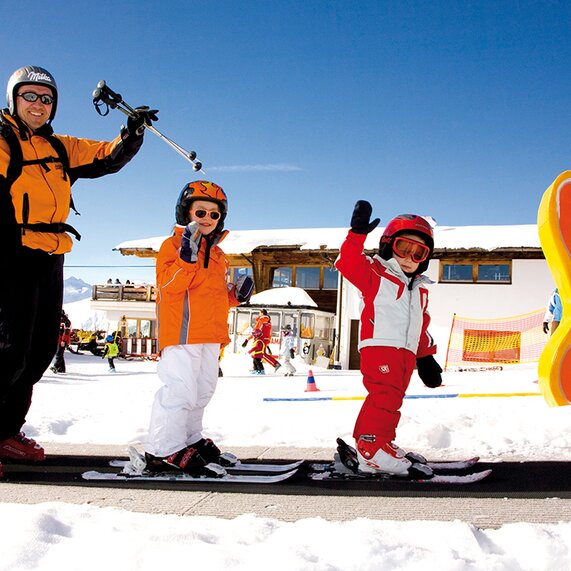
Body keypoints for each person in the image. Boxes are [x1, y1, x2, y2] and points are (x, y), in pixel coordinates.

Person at [0, 65, 155, 462]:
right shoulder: (2, 140)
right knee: (7, 351)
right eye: (29, 96)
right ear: (13, 99)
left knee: (37, 351)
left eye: (46, 98)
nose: (38, 104)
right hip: (11, 253)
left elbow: (104, 157)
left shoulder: (58, 146)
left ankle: (5, 431)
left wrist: (132, 133)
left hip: (50, 254)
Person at [144, 181, 253, 474]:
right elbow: (169, 285)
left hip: (210, 333)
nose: (207, 218)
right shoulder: (173, 246)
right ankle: (163, 448)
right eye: (200, 211)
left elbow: (210, 296)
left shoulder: (218, 255)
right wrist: (186, 258)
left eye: (214, 214)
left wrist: (235, 296)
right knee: (180, 390)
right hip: (182, 333)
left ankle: (189, 439)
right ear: (186, 211)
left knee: (203, 390)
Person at [335, 201, 442, 477]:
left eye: (419, 253)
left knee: (393, 399)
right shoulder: (375, 273)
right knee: (384, 395)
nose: (409, 257)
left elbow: (421, 325)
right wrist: (356, 234)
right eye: (403, 248)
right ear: (387, 245)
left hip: (405, 352)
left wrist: (426, 356)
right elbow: (347, 263)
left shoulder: (417, 288)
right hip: (380, 347)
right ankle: (371, 449)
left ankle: (376, 441)